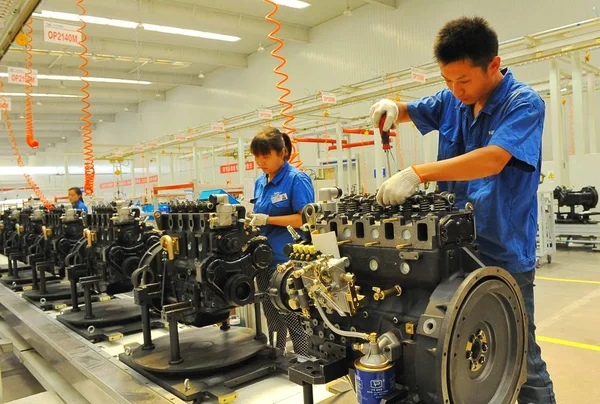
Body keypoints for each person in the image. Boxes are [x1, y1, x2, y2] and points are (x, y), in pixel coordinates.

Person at [370, 16, 555, 404]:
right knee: (451, 353)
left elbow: (492, 159)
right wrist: (392, 108)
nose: (455, 90)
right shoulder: (452, 100)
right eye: (447, 80)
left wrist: (419, 172)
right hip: (449, 250)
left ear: (493, 65)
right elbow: (411, 110)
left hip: (502, 252)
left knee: (520, 353)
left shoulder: (523, 103)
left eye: (464, 81)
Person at [249, 127, 315, 356]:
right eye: (256, 156)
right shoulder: (260, 181)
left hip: (289, 264)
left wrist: (270, 219)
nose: (260, 161)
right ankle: (276, 357)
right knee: (272, 316)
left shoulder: (297, 179)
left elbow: (306, 219)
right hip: (264, 261)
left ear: (282, 152)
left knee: (295, 317)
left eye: (265, 156)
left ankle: (304, 361)